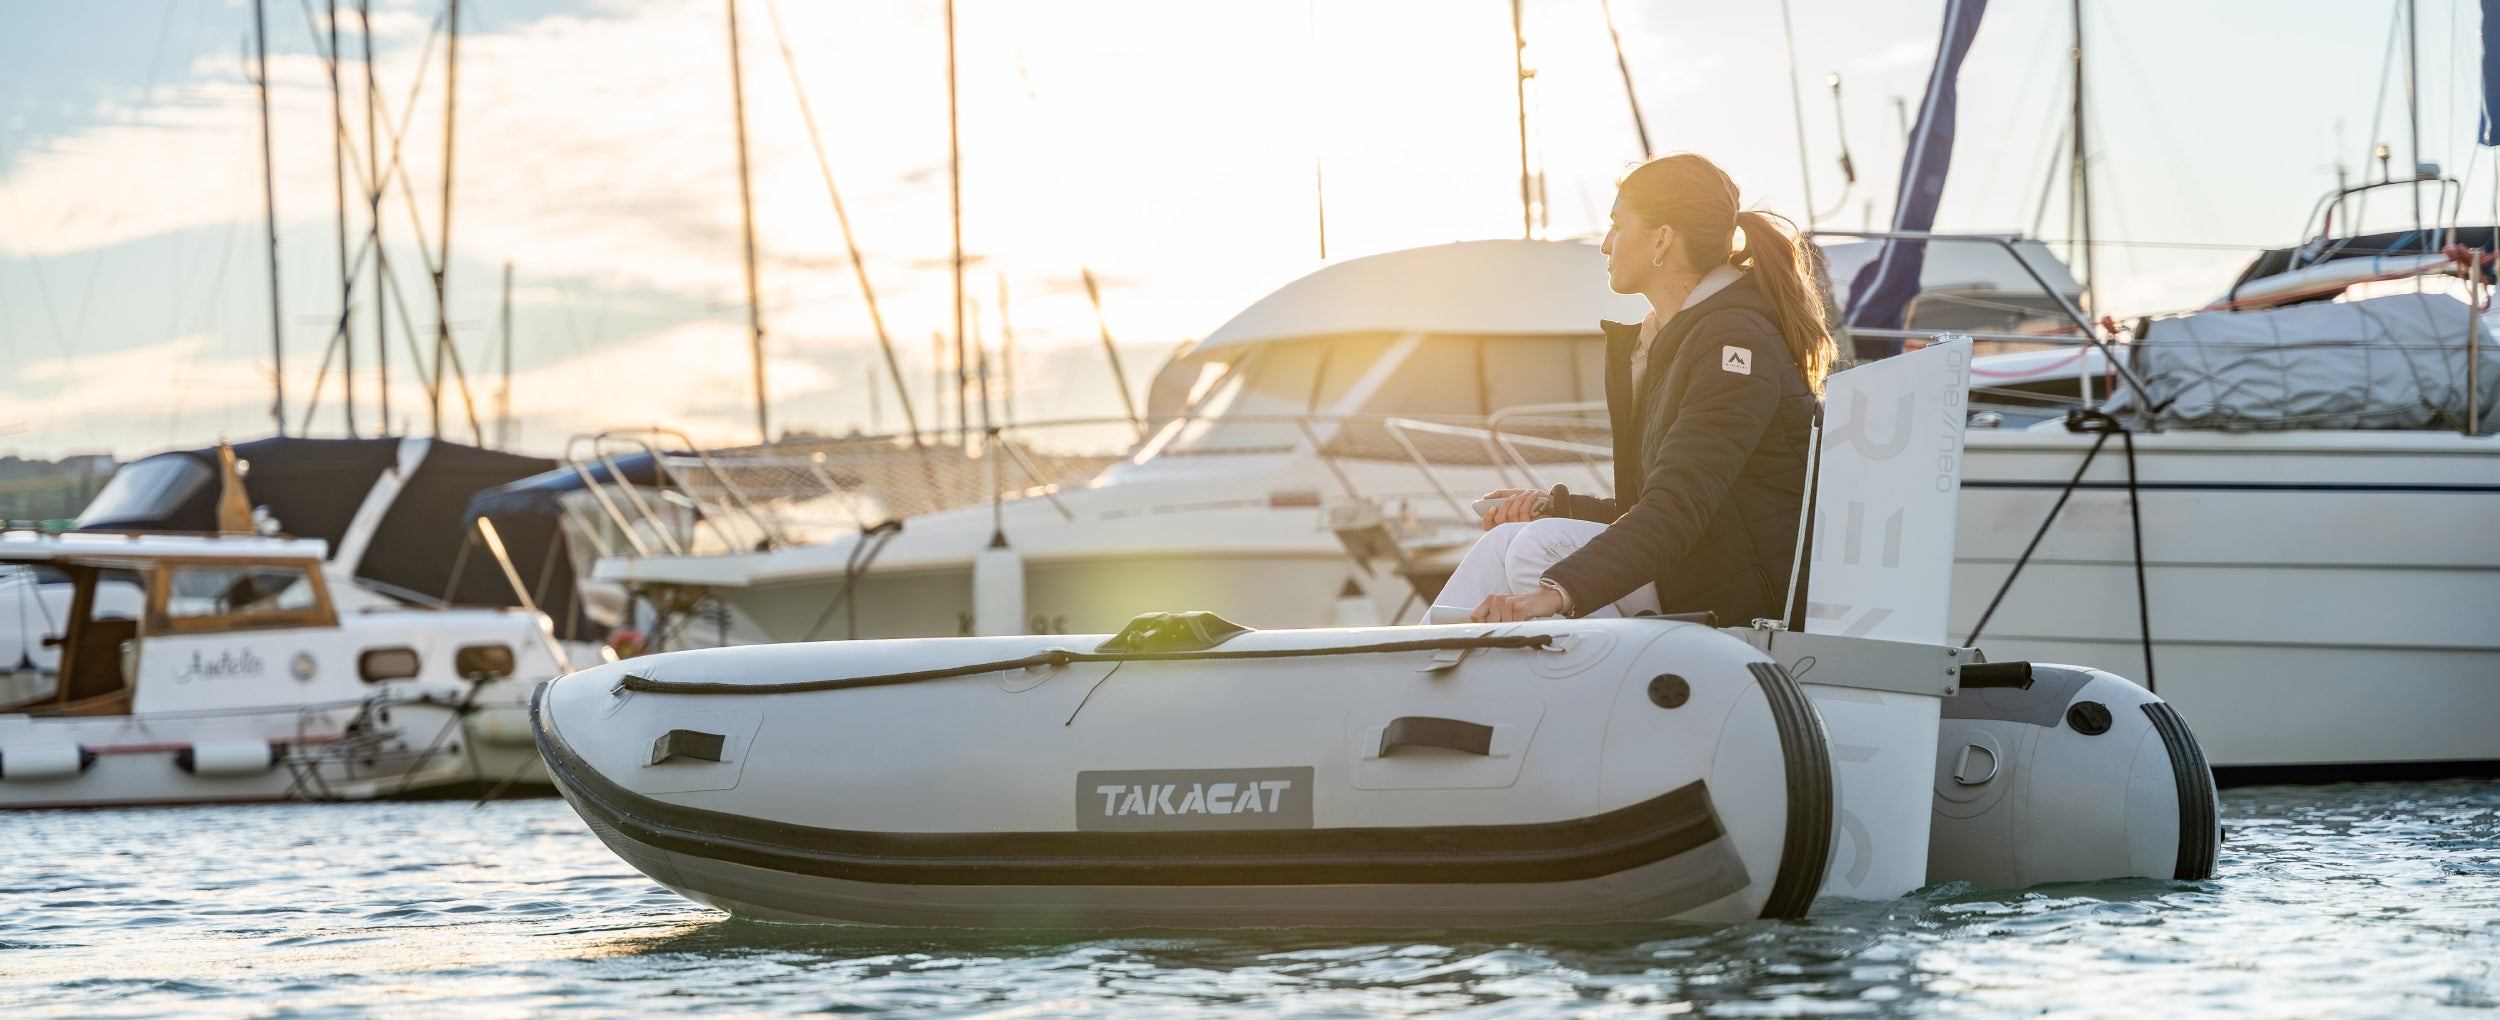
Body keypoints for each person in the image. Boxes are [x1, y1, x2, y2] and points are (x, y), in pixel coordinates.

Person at [1439, 152, 1836, 625]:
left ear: (1662, 239)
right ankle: (1403, 662)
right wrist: (1555, 508)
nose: (1605, 246)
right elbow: (1652, 507)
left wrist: (1556, 594)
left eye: (1616, 226)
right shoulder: (1674, 340)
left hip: (1741, 604)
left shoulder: (1735, 344)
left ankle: (1610, 676)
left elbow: (1678, 508)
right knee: (1508, 538)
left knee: (1537, 547)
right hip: (1690, 570)